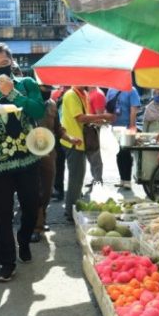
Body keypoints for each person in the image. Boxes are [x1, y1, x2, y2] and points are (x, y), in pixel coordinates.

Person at [0, 42, 45, 282]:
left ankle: (24, 240)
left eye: (3, 64)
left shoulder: (28, 84)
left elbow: (37, 112)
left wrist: (11, 93)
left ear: (12, 62)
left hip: (27, 159)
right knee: (2, 214)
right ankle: (7, 262)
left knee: (30, 207)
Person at [33, 84, 81, 241]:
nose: (45, 91)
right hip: (30, 153)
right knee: (35, 190)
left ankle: (42, 219)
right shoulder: (27, 104)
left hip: (49, 152)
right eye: (42, 87)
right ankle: (36, 226)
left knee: (47, 189)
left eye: (48, 88)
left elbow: (58, 128)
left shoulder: (52, 104)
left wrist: (70, 139)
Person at [61, 86, 114, 222]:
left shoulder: (82, 94)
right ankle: (70, 211)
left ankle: (74, 208)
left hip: (80, 141)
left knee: (78, 178)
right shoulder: (71, 95)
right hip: (74, 142)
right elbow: (80, 118)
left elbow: (86, 117)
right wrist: (102, 116)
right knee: (76, 179)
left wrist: (100, 120)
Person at [106, 87, 141, 188]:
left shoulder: (132, 90)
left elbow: (133, 111)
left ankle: (127, 181)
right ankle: (122, 179)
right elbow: (108, 108)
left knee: (125, 152)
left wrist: (132, 127)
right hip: (115, 127)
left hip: (126, 127)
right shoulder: (111, 90)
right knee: (119, 153)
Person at [86, 87, 106, 187]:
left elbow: (99, 117)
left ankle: (98, 179)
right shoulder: (89, 93)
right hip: (89, 128)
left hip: (93, 129)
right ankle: (95, 178)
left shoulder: (97, 94)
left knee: (95, 156)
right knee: (91, 156)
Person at [51, 86, 67, 201]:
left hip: (65, 133)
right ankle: (57, 189)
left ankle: (59, 190)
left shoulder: (71, 96)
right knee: (58, 164)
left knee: (61, 164)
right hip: (58, 133)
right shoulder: (58, 97)